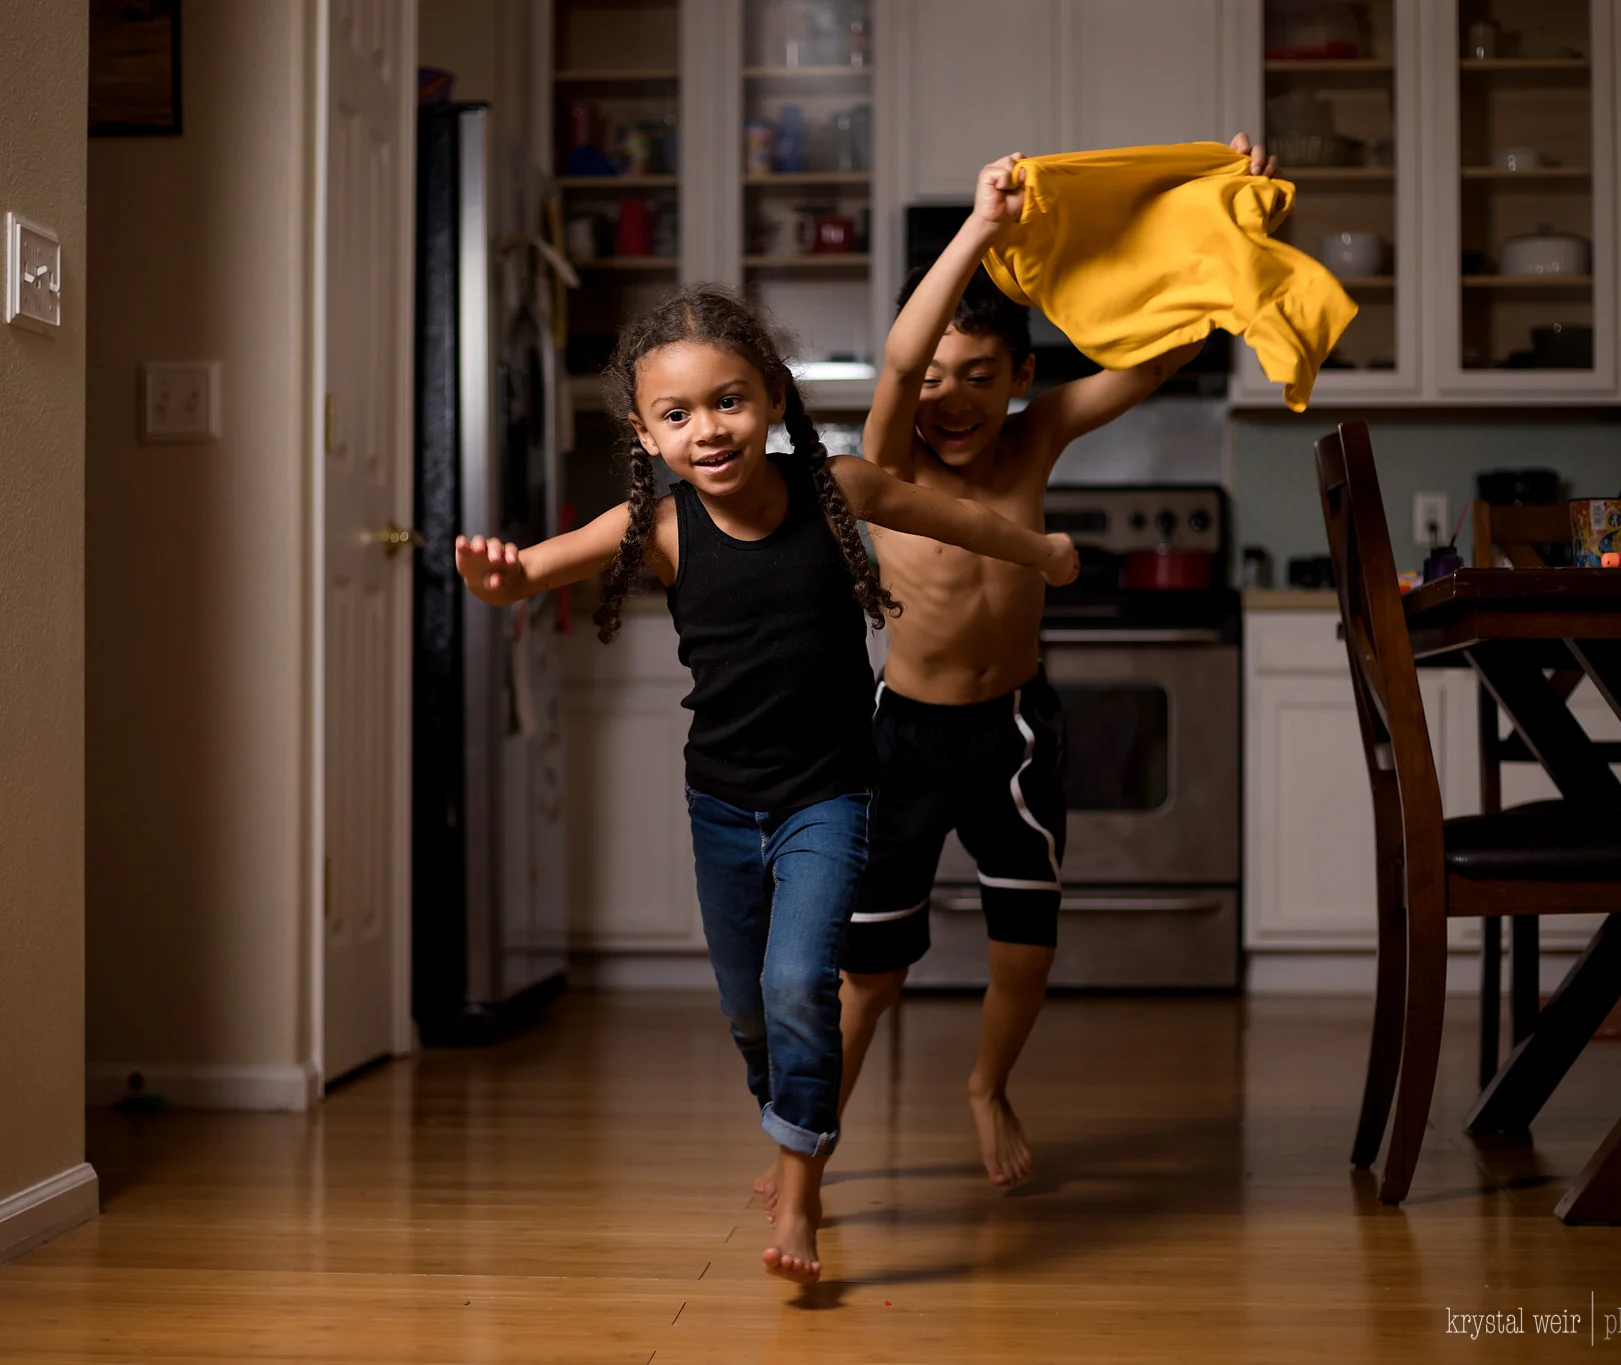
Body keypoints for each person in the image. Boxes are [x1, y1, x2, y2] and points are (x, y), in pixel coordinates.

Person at [453, 285, 1077, 1284]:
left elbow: (953, 519)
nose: (707, 428)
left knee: (800, 990)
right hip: (720, 809)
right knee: (751, 1009)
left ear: (772, 400)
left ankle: (798, 1199)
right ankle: (787, 1102)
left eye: (728, 401)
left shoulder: (837, 492)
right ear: (645, 432)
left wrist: (1040, 549)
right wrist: (498, 578)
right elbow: (530, 573)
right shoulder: (654, 528)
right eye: (677, 413)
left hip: (830, 797)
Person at [800, 134, 1276, 1198]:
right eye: (933, 379)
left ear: (1020, 377)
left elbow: (1159, 358)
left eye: (977, 377)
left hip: (1010, 731)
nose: (948, 399)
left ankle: (986, 1086)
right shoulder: (886, 462)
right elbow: (894, 362)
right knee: (868, 975)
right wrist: (981, 230)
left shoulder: (1036, 439)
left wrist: (1227, 221)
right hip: (901, 739)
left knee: (1024, 948)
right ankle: (810, 1144)